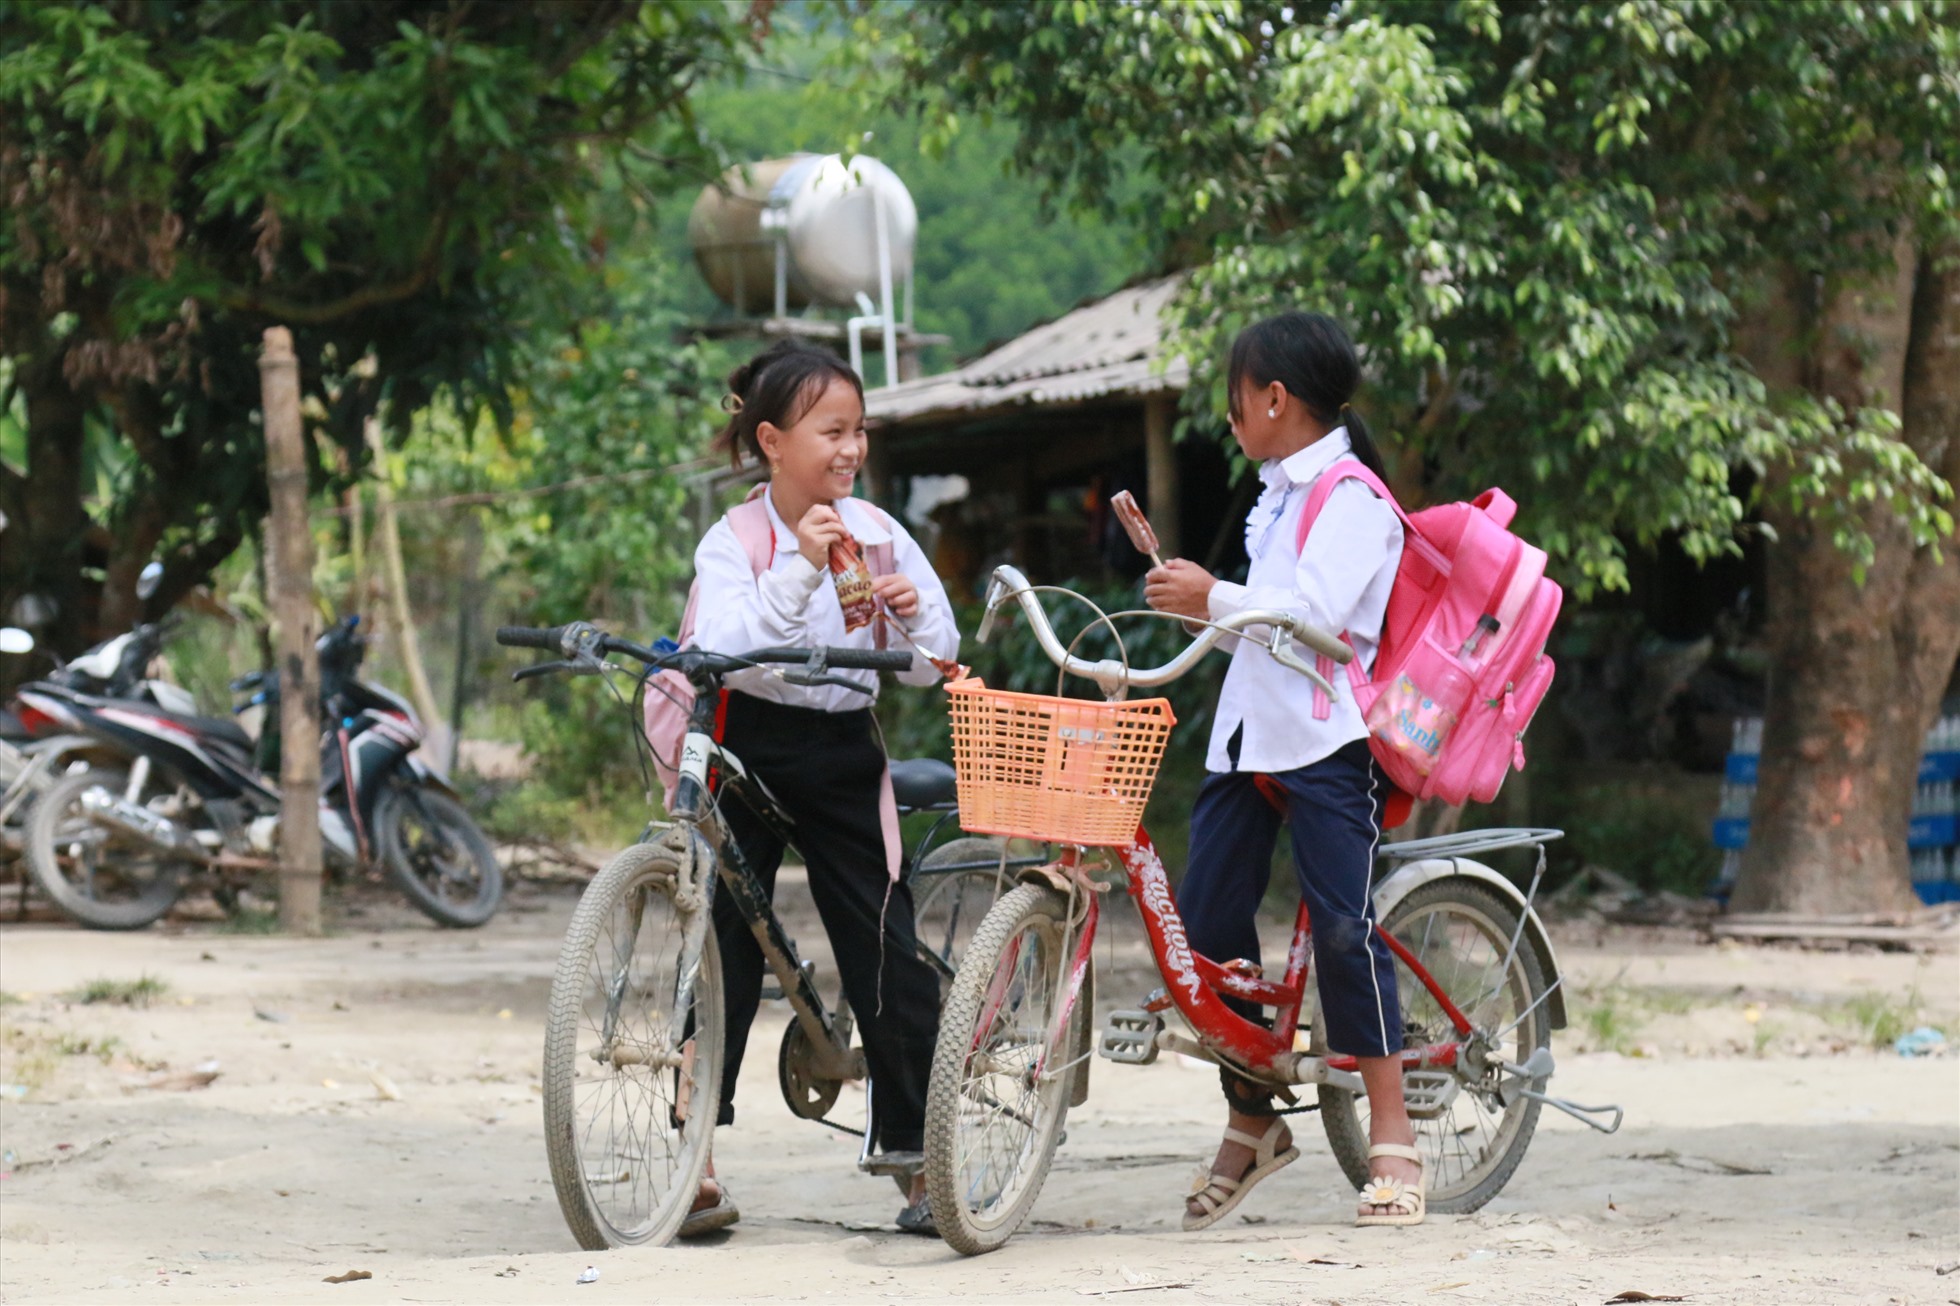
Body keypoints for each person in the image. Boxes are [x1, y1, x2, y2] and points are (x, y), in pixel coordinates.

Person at [1142, 311, 1424, 1230]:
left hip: (1331, 745)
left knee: (1344, 928)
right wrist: (1204, 607)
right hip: (1247, 738)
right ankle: (1251, 1122)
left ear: (1275, 399)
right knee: (1208, 928)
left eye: (1235, 401)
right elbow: (1262, 617)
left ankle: (1394, 1134)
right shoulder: (1280, 492)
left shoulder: (1353, 497)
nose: (1230, 419)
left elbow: (1314, 618)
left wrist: (1214, 596)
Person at [681, 339, 960, 1237]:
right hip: (750, 743)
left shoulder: (881, 530)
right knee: (723, 934)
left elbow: (931, 666)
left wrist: (915, 620)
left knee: (882, 936)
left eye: (859, 431)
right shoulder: (734, 540)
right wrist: (801, 563)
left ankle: (916, 1161)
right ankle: (696, 1161)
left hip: (844, 749)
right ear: (771, 441)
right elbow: (725, 648)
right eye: (830, 431)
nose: (850, 449)